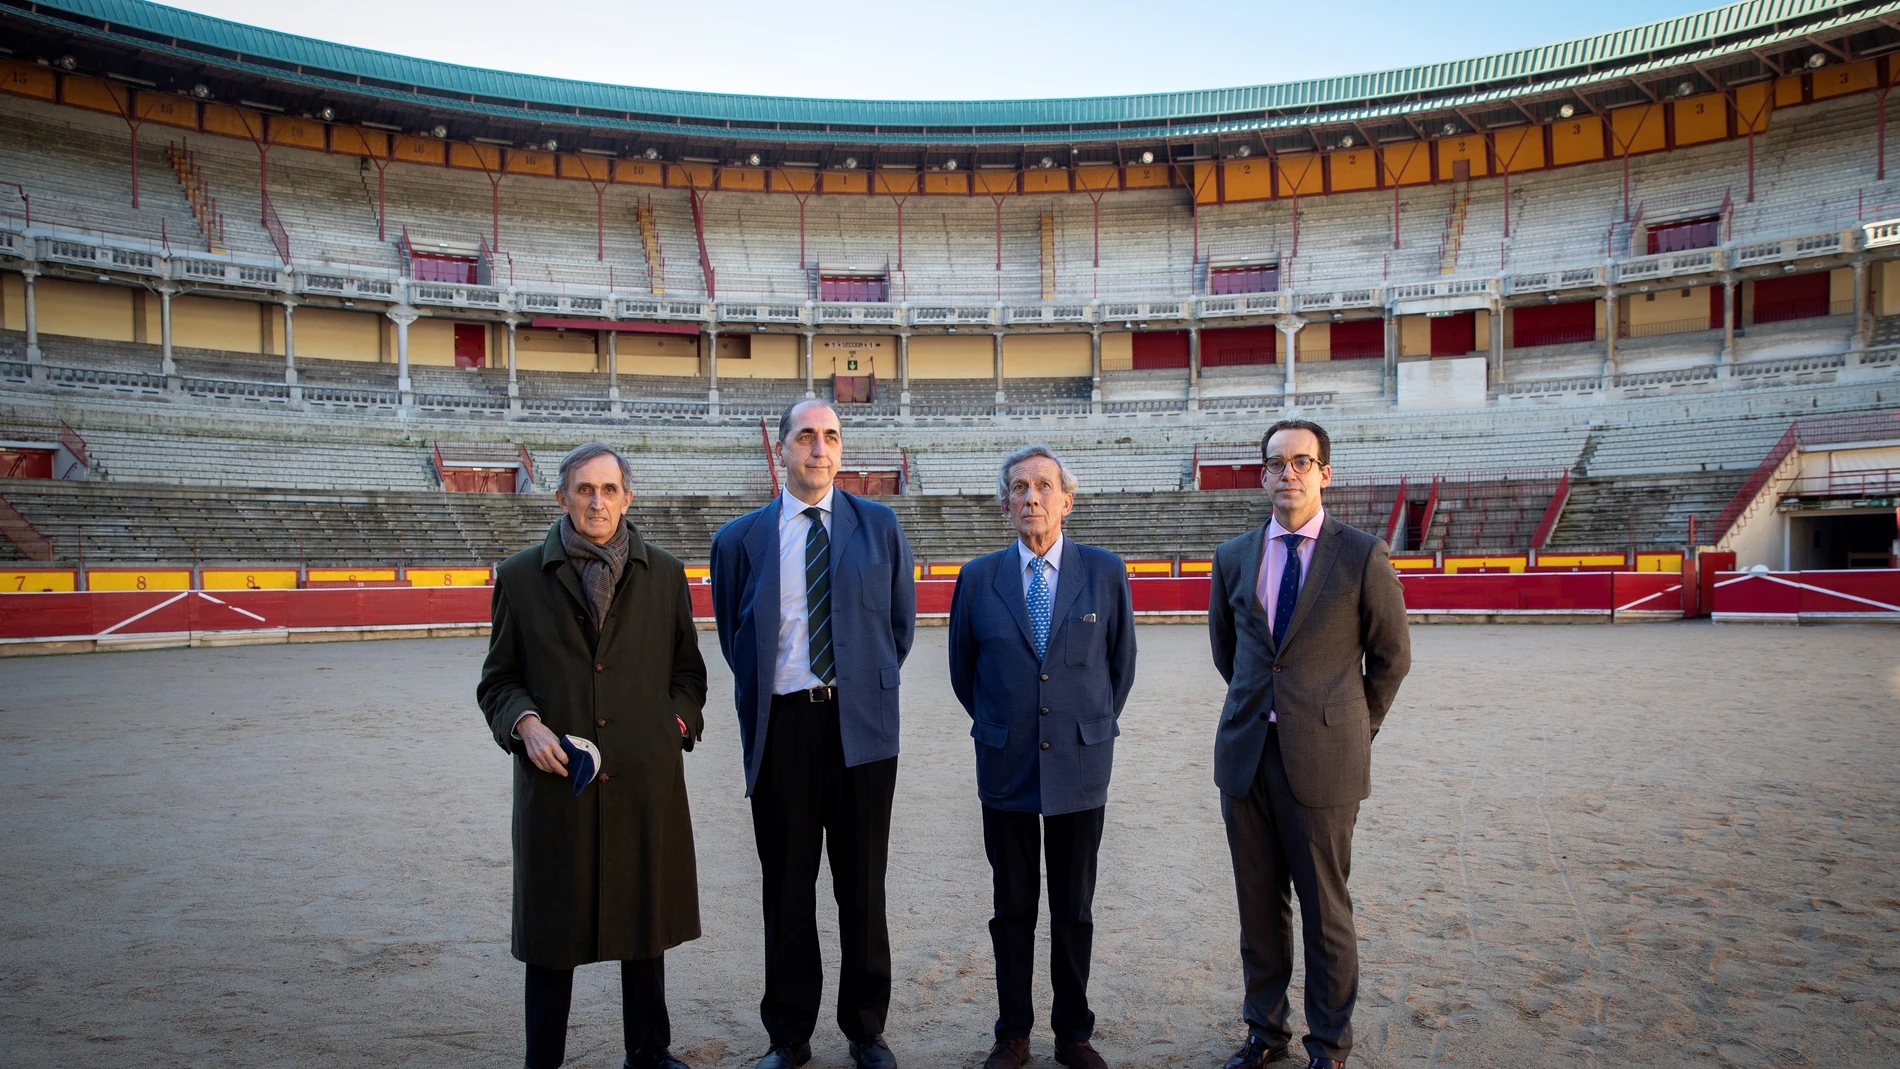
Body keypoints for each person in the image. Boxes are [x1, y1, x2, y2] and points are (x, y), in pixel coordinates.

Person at [476, 442, 709, 1069]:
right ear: (562, 497)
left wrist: (673, 724)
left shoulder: (663, 573)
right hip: (559, 782)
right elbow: (498, 681)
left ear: (627, 498)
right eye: (584, 489)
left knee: (644, 926)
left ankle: (649, 1054)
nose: (597, 501)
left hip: (644, 776)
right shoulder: (522, 576)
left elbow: (689, 673)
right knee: (554, 933)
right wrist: (525, 725)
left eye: (609, 490)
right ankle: (543, 1060)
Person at [709, 399, 917, 1069]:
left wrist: (858, 686)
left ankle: (865, 1028)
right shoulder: (738, 539)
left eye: (831, 436)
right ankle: (789, 1035)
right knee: (787, 887)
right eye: (806, 436)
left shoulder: (880, 526)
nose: (819, 449)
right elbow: (738, 642)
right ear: (782, 446)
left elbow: (898, 629)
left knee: (863, 884)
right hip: (785, 727)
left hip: (860, 728)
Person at [1207, 419, 1411, 1069]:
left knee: (1326, 909)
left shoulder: (1361, 553)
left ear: (1325, 472)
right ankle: (1266, 1031)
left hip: (1324, 758)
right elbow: (1231, 653)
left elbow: (1391, 658)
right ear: (1263, 473)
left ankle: (1330, 1042)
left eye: (1302, 461)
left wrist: (1351, 726)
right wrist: (1263, 709)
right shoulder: (1234, 555)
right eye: (1276, 463)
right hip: (1246, 755)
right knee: (1258, 907)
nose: (1287, 473)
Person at [948, 445, 1137, 1069]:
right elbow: (962, 673)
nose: (1032, 497)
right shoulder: (977, 578)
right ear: (1005, 504)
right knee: (1012, 908)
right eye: (1020, 488)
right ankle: (1013, 1032)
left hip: (1081, 765)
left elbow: (1119, 669)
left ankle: (1073, 1033)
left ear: (1067, 499)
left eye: (1044, 486)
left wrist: (1085, 727)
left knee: (1074, 908)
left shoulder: (1105, 572)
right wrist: (1004, 725)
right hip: (1005, 765)